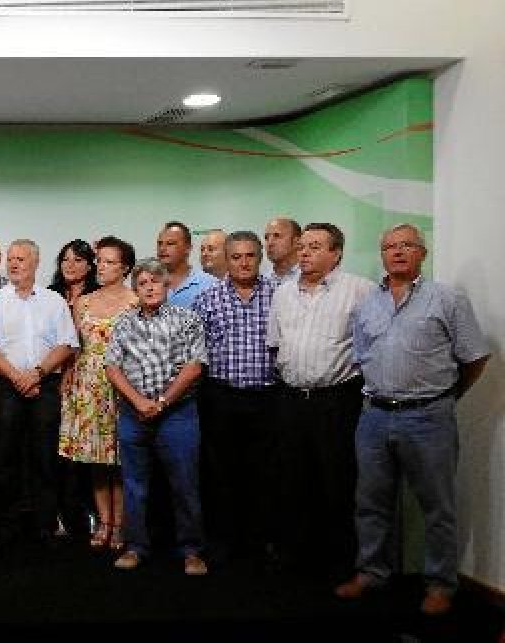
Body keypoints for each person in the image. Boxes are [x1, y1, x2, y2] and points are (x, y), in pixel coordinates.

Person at [335, 224, 490, 616]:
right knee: (370, 502)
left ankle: (440, 584)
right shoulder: (368, 304)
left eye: (407, 245)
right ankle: (371, 572)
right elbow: (362, 358)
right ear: (381, 255)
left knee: (437, 507)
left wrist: (444, 398)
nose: (398, 251)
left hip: (428, 417)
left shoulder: (446, 298)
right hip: (373, 417)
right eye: (389, 246)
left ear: (423, 252)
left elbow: (475, 357)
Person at [267, 222, 373, 577]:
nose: (305, 253)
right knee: (291, 481)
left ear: (336, 252)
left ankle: (340, 562)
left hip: (337, 401)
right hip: (291, 399)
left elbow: (374, 346)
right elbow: (275, 344)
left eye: (315, 246)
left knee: (337, 481)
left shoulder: (361, 290)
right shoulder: (282, 291)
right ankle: (294, 557)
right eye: (303, 247)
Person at [104, 258, 209, 576]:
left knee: (184, 484)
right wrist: (138, 402)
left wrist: (161, 403)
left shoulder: (187, 319)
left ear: (166, 285)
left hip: (177, 414)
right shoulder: (124, 322)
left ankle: (191, 551)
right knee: (134, 486)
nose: (149, 287)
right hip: (133, 415)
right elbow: (111, 366)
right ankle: (136, 547)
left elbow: (194, 366)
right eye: (142, 283)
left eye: (155, 281)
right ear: (135, 289)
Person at [0, 239, 77, 548]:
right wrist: (17, 376)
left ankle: (44, 525)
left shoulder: (53, 301)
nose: (14, 264)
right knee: (4, 458)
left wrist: (37, 374)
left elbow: (67, 344)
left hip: (44, 385)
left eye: (21, 259)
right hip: (6, 386)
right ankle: (6, 527)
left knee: (45, 457)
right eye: (10, 259)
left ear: (35, 263)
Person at [191, 231, 279, 567]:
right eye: (236, 257)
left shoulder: (279, 295)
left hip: (268, 398)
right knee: (220, 474)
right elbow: (197, 352)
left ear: (260, 258)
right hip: (220, 397)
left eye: (250, 256)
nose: (243, 262)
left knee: (265, 473)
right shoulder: (208, 299)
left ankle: (260, 543)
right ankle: (222, 543)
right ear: (226, 260)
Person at [58, 236, 137, 552]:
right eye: (99, 261)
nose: (101, 267)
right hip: (87, 384)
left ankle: (121, 524)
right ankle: (104, 521)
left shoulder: (135, 301)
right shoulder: (83, 302)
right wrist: (67, 378)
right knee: (95, 458)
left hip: (122, 386)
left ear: (125, 267)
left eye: (109, 262)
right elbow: (73, 347)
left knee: (121, 458)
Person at [48, 239, 100, 537]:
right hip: (54, 380)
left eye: (78, 259)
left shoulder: (98, 297)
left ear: (91, 265)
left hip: (89, 381)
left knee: (88, 452)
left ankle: (88, 513)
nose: (70, 265)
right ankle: (58, 513)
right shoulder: (49, 295)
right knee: (57, 451)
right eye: (65, 259)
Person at [156, 221, 218, 308]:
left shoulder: (210, 285)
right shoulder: (148, 284)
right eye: (159, 244)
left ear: (188, 248)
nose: (162, 249)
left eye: (170, 243)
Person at [264, 217, 301, 289]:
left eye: (277, 236)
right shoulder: (262, 281)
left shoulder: (310, 278)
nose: (270, 243)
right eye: (266, 238)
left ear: (296, 242)